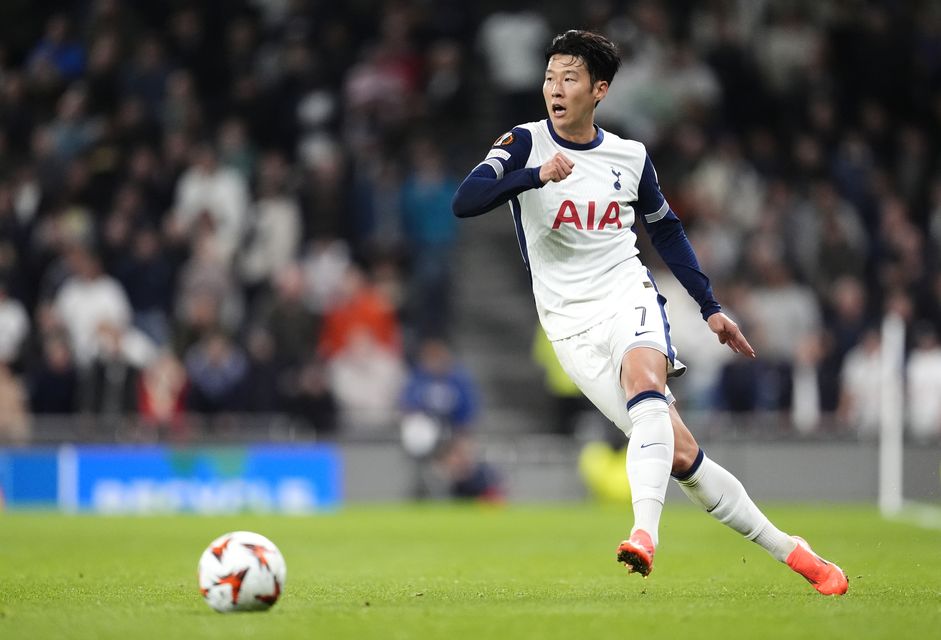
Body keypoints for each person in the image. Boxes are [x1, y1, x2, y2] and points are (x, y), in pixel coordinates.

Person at [451, 30, 847, 595]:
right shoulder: (523, 143)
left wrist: (710, 307)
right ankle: (791, 549)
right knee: (681, 453)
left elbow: (666, 230)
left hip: (626, 293)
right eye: (549, 77)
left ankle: (644, 533)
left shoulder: (629, 157)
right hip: (568, 324)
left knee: (646, 382)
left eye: (569, 78)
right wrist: (533, 177)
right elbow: (465, 201)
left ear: (599, 90)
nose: (555, 89)